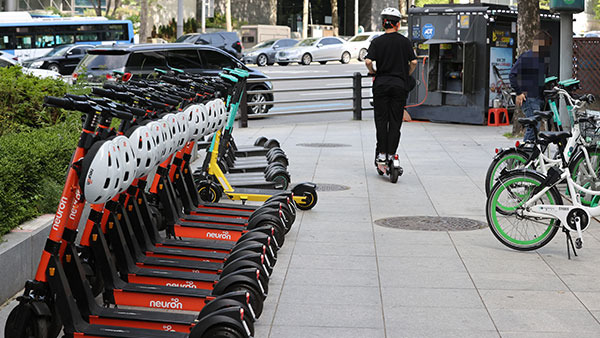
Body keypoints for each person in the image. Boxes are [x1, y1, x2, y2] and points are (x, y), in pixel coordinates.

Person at [365, 7, 417, 166]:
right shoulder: (404, 41)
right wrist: (406, 73)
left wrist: (373, 71)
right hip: (399, 85)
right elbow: (414, 62)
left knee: (381, 121)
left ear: (383, 24)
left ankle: (381, 154)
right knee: (395, 121)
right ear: (398, 24)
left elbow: (368, 61)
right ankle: (391, 154)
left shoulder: (377, 41)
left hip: (381, 85)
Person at [509, 30, 553, 142]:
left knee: (537, 127)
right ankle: (524, 155)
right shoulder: (526, 57)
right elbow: (512, 75)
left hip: (539, 98)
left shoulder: (543, 60)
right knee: (534, 126)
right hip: (529, 98)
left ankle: (530, 154)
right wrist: (518, 93)